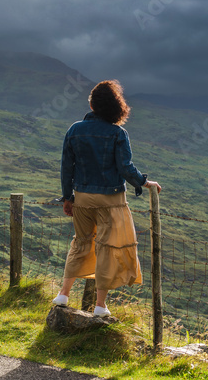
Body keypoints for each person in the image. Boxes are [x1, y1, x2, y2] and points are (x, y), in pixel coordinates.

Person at [52, 79, 161, 317]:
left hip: (82, 198)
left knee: (80, 243)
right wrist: (144, 182)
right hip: (110, 200)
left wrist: (68, 197)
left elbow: (66, 167)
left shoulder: (74, 130)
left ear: (92, 105)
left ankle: (63, 295)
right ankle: (100, 306)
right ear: (116, 107)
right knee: (106, 249)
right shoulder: (117, 133)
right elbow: (125, 167)